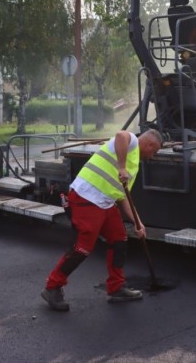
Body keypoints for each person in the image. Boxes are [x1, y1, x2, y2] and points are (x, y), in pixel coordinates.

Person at [41, 129, 164, 311]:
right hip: (86, 196)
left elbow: (123, 197)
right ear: (150, 145)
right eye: (154, 152)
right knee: (83, 248)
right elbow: (121, 135)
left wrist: (138, 222)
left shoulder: (134, 164)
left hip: (105, 203)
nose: (152, 157)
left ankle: (116, 287)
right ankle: (53, 287)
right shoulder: (130, 142)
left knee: (119, 240)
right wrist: (121, 167)